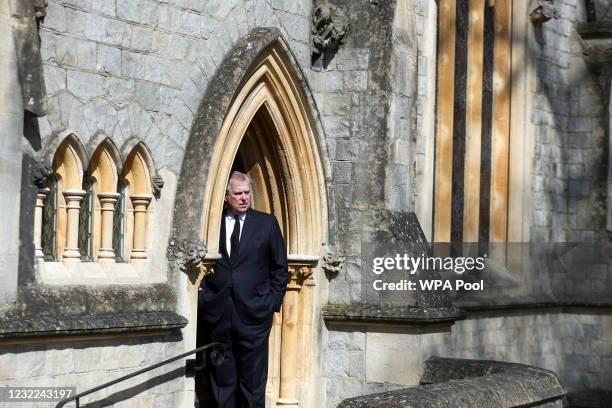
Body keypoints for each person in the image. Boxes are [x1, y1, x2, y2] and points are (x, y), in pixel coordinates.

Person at [198, 171, 288, 408]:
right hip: (218, 317)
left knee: (253, 386)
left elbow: (280, 268)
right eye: (238, 193)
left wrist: (271, 303)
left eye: (247, 193)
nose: (244, 198)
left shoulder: (266, 223)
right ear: (226, 196)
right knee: (221, 384)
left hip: (254, 317)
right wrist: (204, 300)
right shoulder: (211, 224)